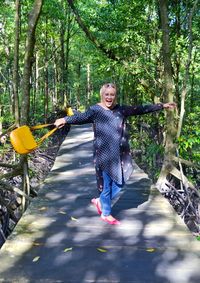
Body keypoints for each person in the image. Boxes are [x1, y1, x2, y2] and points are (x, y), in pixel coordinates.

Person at [54, 83, 176, 225]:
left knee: (120, 182)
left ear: (115, 96)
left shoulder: (121, 110)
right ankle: (106, 213)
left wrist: (162, 105)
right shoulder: (95, 110)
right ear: (102, 95)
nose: (109, 97)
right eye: (107, 94)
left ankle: (100, 201)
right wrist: (64, 119)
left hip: (119, 154)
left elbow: (141, 109)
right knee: (106, 186)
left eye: (112, 94)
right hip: (103, 155)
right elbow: (80, 117)